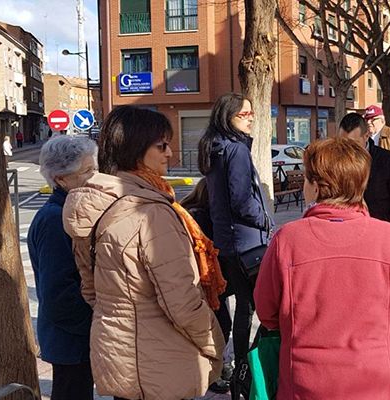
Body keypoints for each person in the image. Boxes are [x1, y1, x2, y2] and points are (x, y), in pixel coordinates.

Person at [63, 105, 225, 400]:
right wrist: (215, 343)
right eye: (161, 145)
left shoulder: (93, 203)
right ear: (136, 149)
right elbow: (182, 302)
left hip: (116, 353)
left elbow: (90, 289)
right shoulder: (150, 213)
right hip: (160, 360)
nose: (170, 154)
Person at [254, 137, 390, 399]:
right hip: (377, 384)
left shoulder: (287, 240)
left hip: (305, 384)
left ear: (315, 187)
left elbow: (267, 313)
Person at [197, 93, 273, 382]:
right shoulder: (235, 150)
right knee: (252, 309)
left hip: (227, 241)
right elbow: (242, 200)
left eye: (251, 113)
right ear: (227, 116)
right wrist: (264, 220)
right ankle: (245, 368)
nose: (251, 117)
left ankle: (236, 367)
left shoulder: (215, 148)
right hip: (247, 242)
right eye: (244, 114)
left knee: (240, 307)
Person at [27, 136, 97, 400]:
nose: (94, 177)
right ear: (61, 178)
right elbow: (58, 292)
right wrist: (92, 323)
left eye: (95, 169)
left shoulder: (69, 210)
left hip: (73, 336)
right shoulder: (55, 219)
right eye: (87, 171)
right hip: (69, 338)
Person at [179, 178, 232, 395]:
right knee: (220, 325)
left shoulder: (186, 212)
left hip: (195, 281)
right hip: (204, 282)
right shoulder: (204, 217)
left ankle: (214, 370)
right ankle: (213, 372)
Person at [338, 112, 390, 230]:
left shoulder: (387, 160)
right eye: (343, 143)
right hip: (346, 230)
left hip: (380, 229)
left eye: (354, 144)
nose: (348, 149)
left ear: (366, 136)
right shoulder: (335, 161)